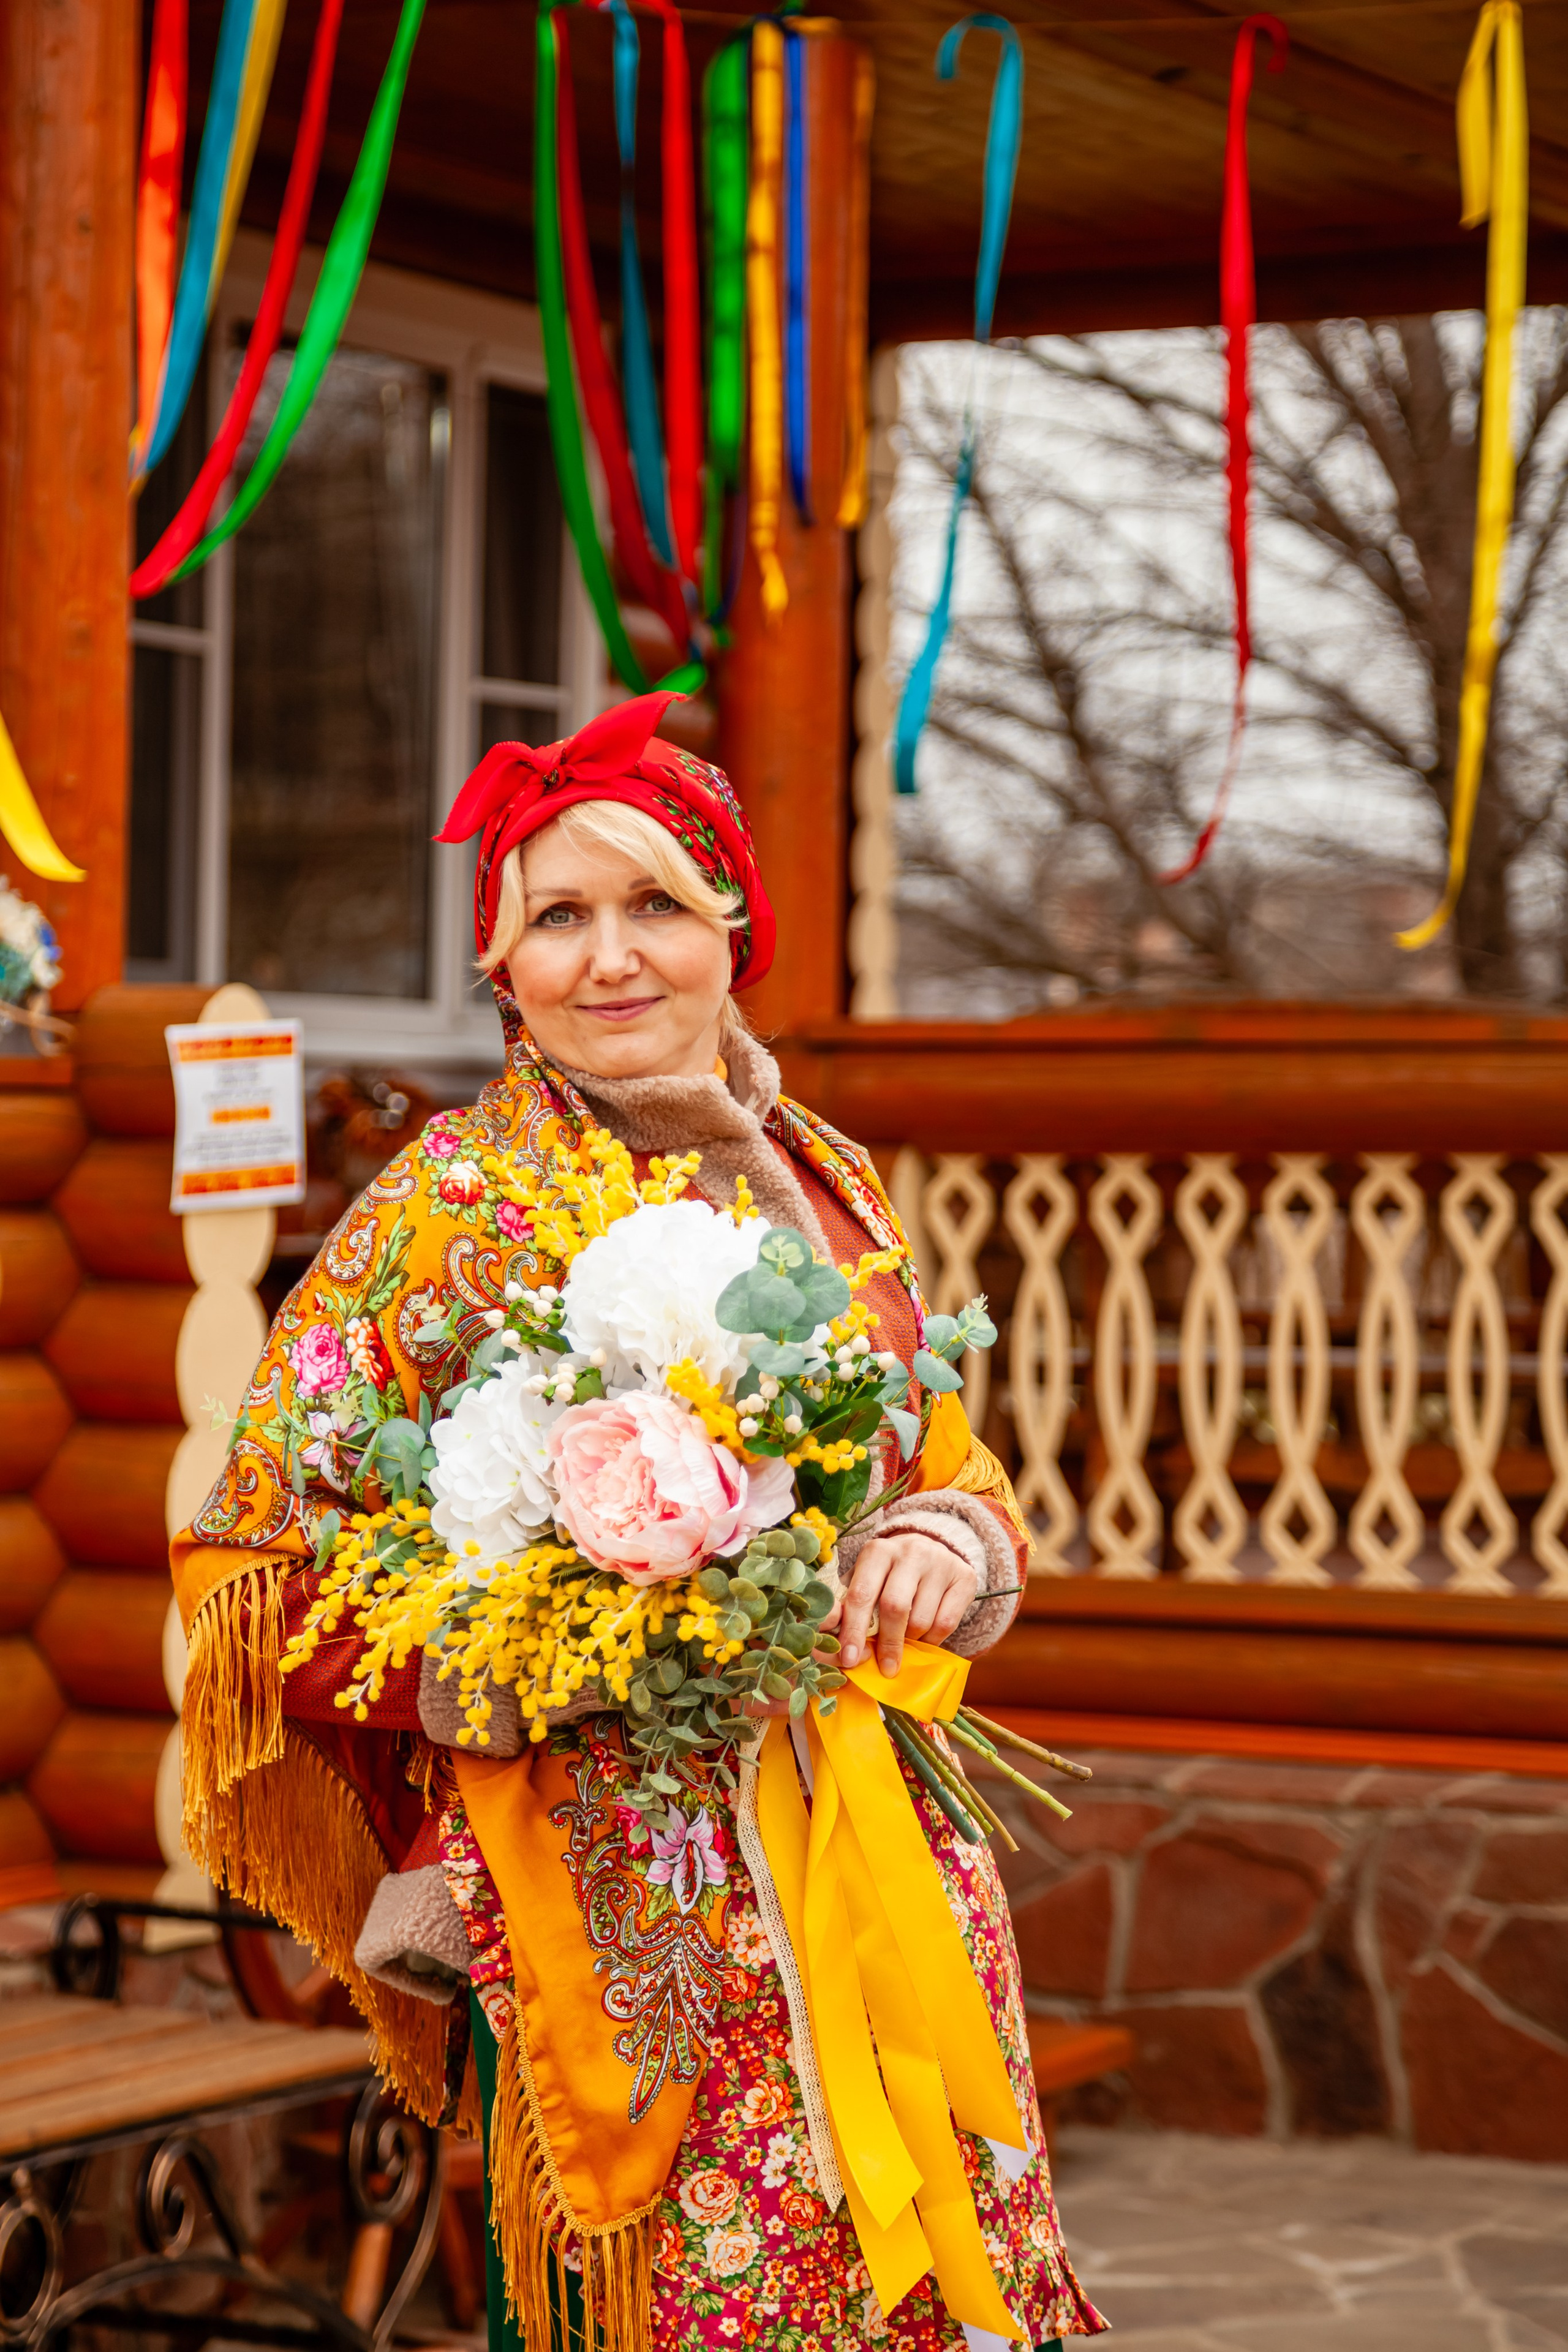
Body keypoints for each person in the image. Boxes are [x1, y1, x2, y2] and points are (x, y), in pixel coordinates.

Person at [170, 692, 1104, 2352]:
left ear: (732, 930)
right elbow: (252, 1571)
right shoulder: (443, 1211)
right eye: (560, 918)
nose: (611, 959)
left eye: (657, 906)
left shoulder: (825, 1174)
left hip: (879, 1854)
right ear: (501, 964)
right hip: (612, 1901)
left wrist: (940, 1550)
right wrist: (500, 1654)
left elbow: (947, 1462)